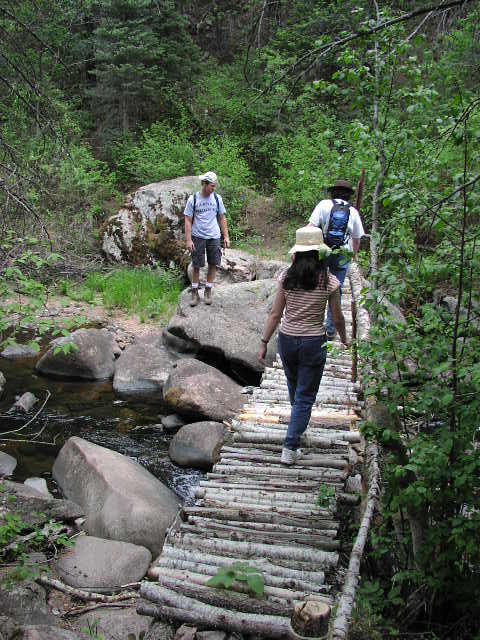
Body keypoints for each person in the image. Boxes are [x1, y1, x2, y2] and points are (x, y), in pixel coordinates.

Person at [257, 226, 351, 465]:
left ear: (297, 252)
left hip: (287, 340)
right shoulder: (329, 281)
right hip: (313, 342)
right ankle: (290, 446)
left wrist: (264, 342)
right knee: (305, 396)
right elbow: (337, 317)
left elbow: (275, 314)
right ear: (320, 252)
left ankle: (297, 427)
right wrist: (344, 338)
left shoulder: (286, 278)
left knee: (295, 386)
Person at [309, 179, 364, 339]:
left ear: (333, 192)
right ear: (348, 195)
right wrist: (352, 256)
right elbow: (357, 238)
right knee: (336, 290)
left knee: (316, 284)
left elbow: (311, 227)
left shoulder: (323, 205)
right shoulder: (353, 211)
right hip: (342, 255)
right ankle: (331, 330)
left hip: (322, 250)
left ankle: (312, 322)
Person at [184, 171, 230, 306]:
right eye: (212, 186)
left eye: (215, 186)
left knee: (213, 263)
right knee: (197, 265)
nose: (214, 188)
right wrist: (188, 240)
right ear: (204, 184)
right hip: (198, 236)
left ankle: (208, 290)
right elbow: (187, 220)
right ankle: (194, 292)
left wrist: (226, 236)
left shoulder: (217, 199)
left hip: (214, 236)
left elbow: (222, 217)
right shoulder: (193, 199)